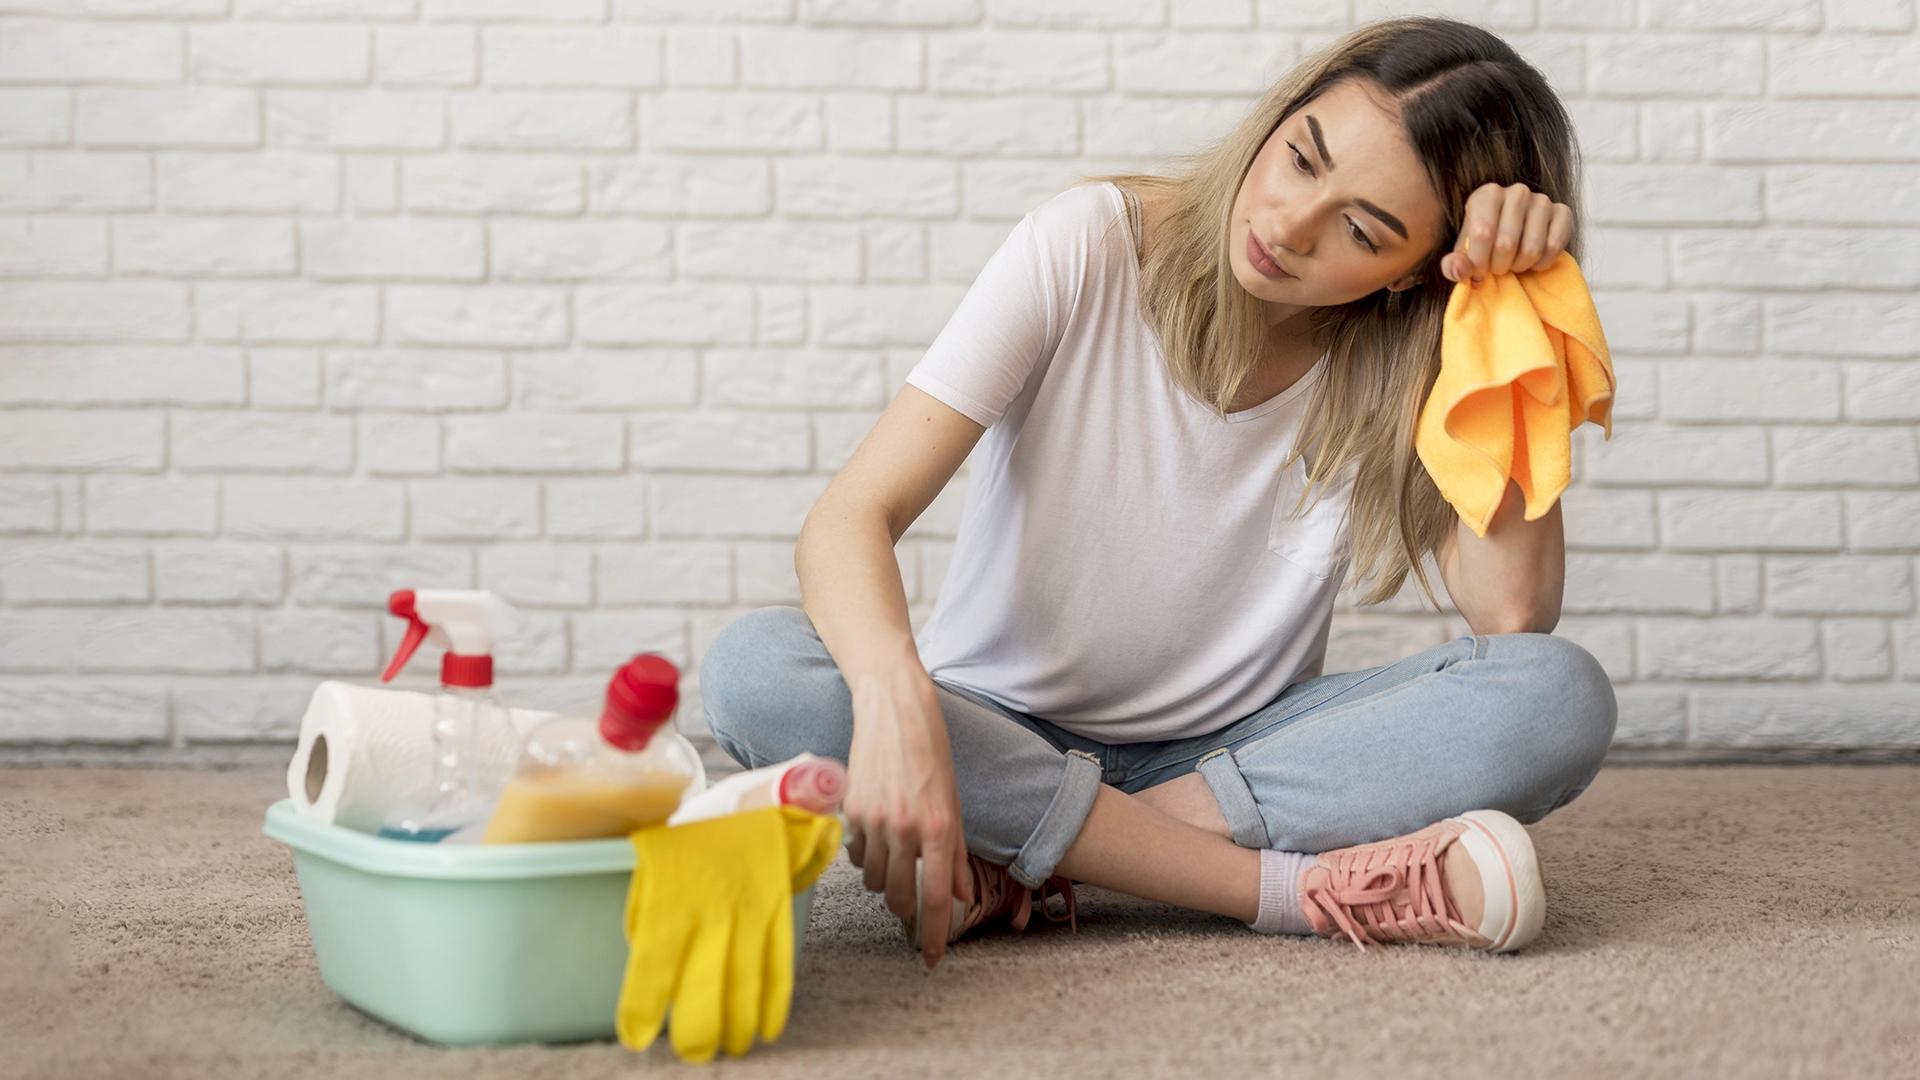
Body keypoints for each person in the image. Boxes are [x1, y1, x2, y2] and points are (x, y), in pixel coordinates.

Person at [700, 15, 1617, 971]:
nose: (1287, 226)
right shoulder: (1088, 242)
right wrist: (895, 702)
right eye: (1301, 158)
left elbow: (1513, 613)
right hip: (990, 730)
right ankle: (1289, 889)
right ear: (1280, 116)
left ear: (1417, 271)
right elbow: (851, 517)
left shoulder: (1416, 350)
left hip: (1230, 760)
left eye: (1359, 229)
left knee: (1556, 696)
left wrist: (1506, 303)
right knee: (757, 671)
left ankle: (1029, 851)